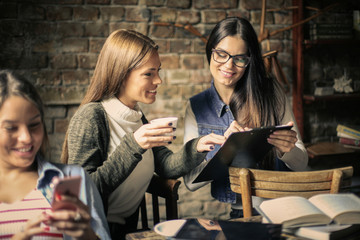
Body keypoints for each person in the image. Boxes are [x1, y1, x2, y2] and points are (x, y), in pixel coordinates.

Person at [60, 29, 225, 239]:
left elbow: (166, 165)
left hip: (125, 232)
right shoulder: (91, 117)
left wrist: (198, 146)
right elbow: (80, 193)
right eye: (149, 73)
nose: (159, 81)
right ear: (120, 74)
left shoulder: (136, 115)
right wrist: (133, 145)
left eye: (158, 71)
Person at [183, 17, 308, 218]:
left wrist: (288, 150)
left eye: (240, 58)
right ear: (210, 51)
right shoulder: (196, 107)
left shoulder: (270, 92)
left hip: (284, 210)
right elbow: (190, 182)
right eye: (221, 54)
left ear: (249, 61)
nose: (228, 65)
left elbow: (301, 163)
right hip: (241, 216)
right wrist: (225, 151)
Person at [0, 70, 110, 240]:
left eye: (34, 125)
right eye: (11, 128)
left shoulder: (75, 178)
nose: (26, 138)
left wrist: (87, 235)